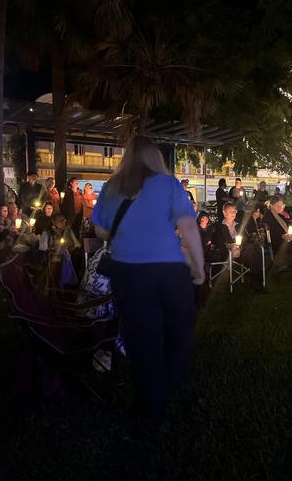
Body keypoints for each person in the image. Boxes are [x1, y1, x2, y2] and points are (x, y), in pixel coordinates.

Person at [91, 136, 204, 416]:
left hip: (129, 274)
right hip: (170, 273)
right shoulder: (169, 185)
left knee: (143, 340)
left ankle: (151, 404)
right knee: (179, 332)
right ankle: (172, 384)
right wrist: (199, 266)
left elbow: (100, 230)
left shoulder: (111, 187)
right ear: (156, 158)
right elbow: (188, 227)